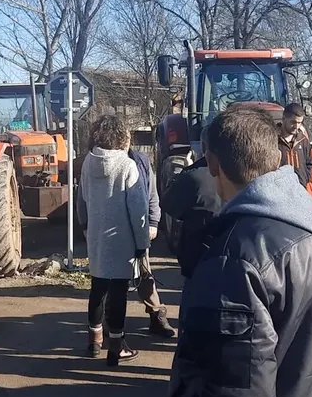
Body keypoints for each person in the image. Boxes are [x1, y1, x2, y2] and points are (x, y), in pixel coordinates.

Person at [168, 106, 312, 397]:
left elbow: (234, 394)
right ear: (276, 157)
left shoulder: (235, 255)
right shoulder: (311, 233)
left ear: (213, 162)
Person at [76, 116, 149, 366]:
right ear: (120, 136)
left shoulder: (87, 163)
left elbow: (82, 199)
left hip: (96, 236)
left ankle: (93, 340)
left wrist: (86, 227)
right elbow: (138, 210)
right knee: (118, 292)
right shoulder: (127, 166)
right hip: (122, 239)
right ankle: (116, 347)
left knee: (97, 288)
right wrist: (142, 244)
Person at [126, 143, 175, 338]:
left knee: (145, 275)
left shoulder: (141, 161)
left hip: (139, 227)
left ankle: (156, 316)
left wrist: (153, 221)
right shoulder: (99, 161)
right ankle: (107, 323)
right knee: (112, 280)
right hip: (112, 232)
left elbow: (151, 193)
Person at [161, 126, 222, 279]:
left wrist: (185, 171)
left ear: (202, 146)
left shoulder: (193, 176)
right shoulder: (239, 173)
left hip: (197, 257)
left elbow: (169, 205)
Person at [277, 103, 312, 192]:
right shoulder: (273, 139)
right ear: (284, 119)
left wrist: (306, 178)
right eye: (293, 122)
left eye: (299, 123)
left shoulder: (303, 140)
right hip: (280, 191)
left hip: (301, 190)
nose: (296, 126)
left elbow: (310, 163)